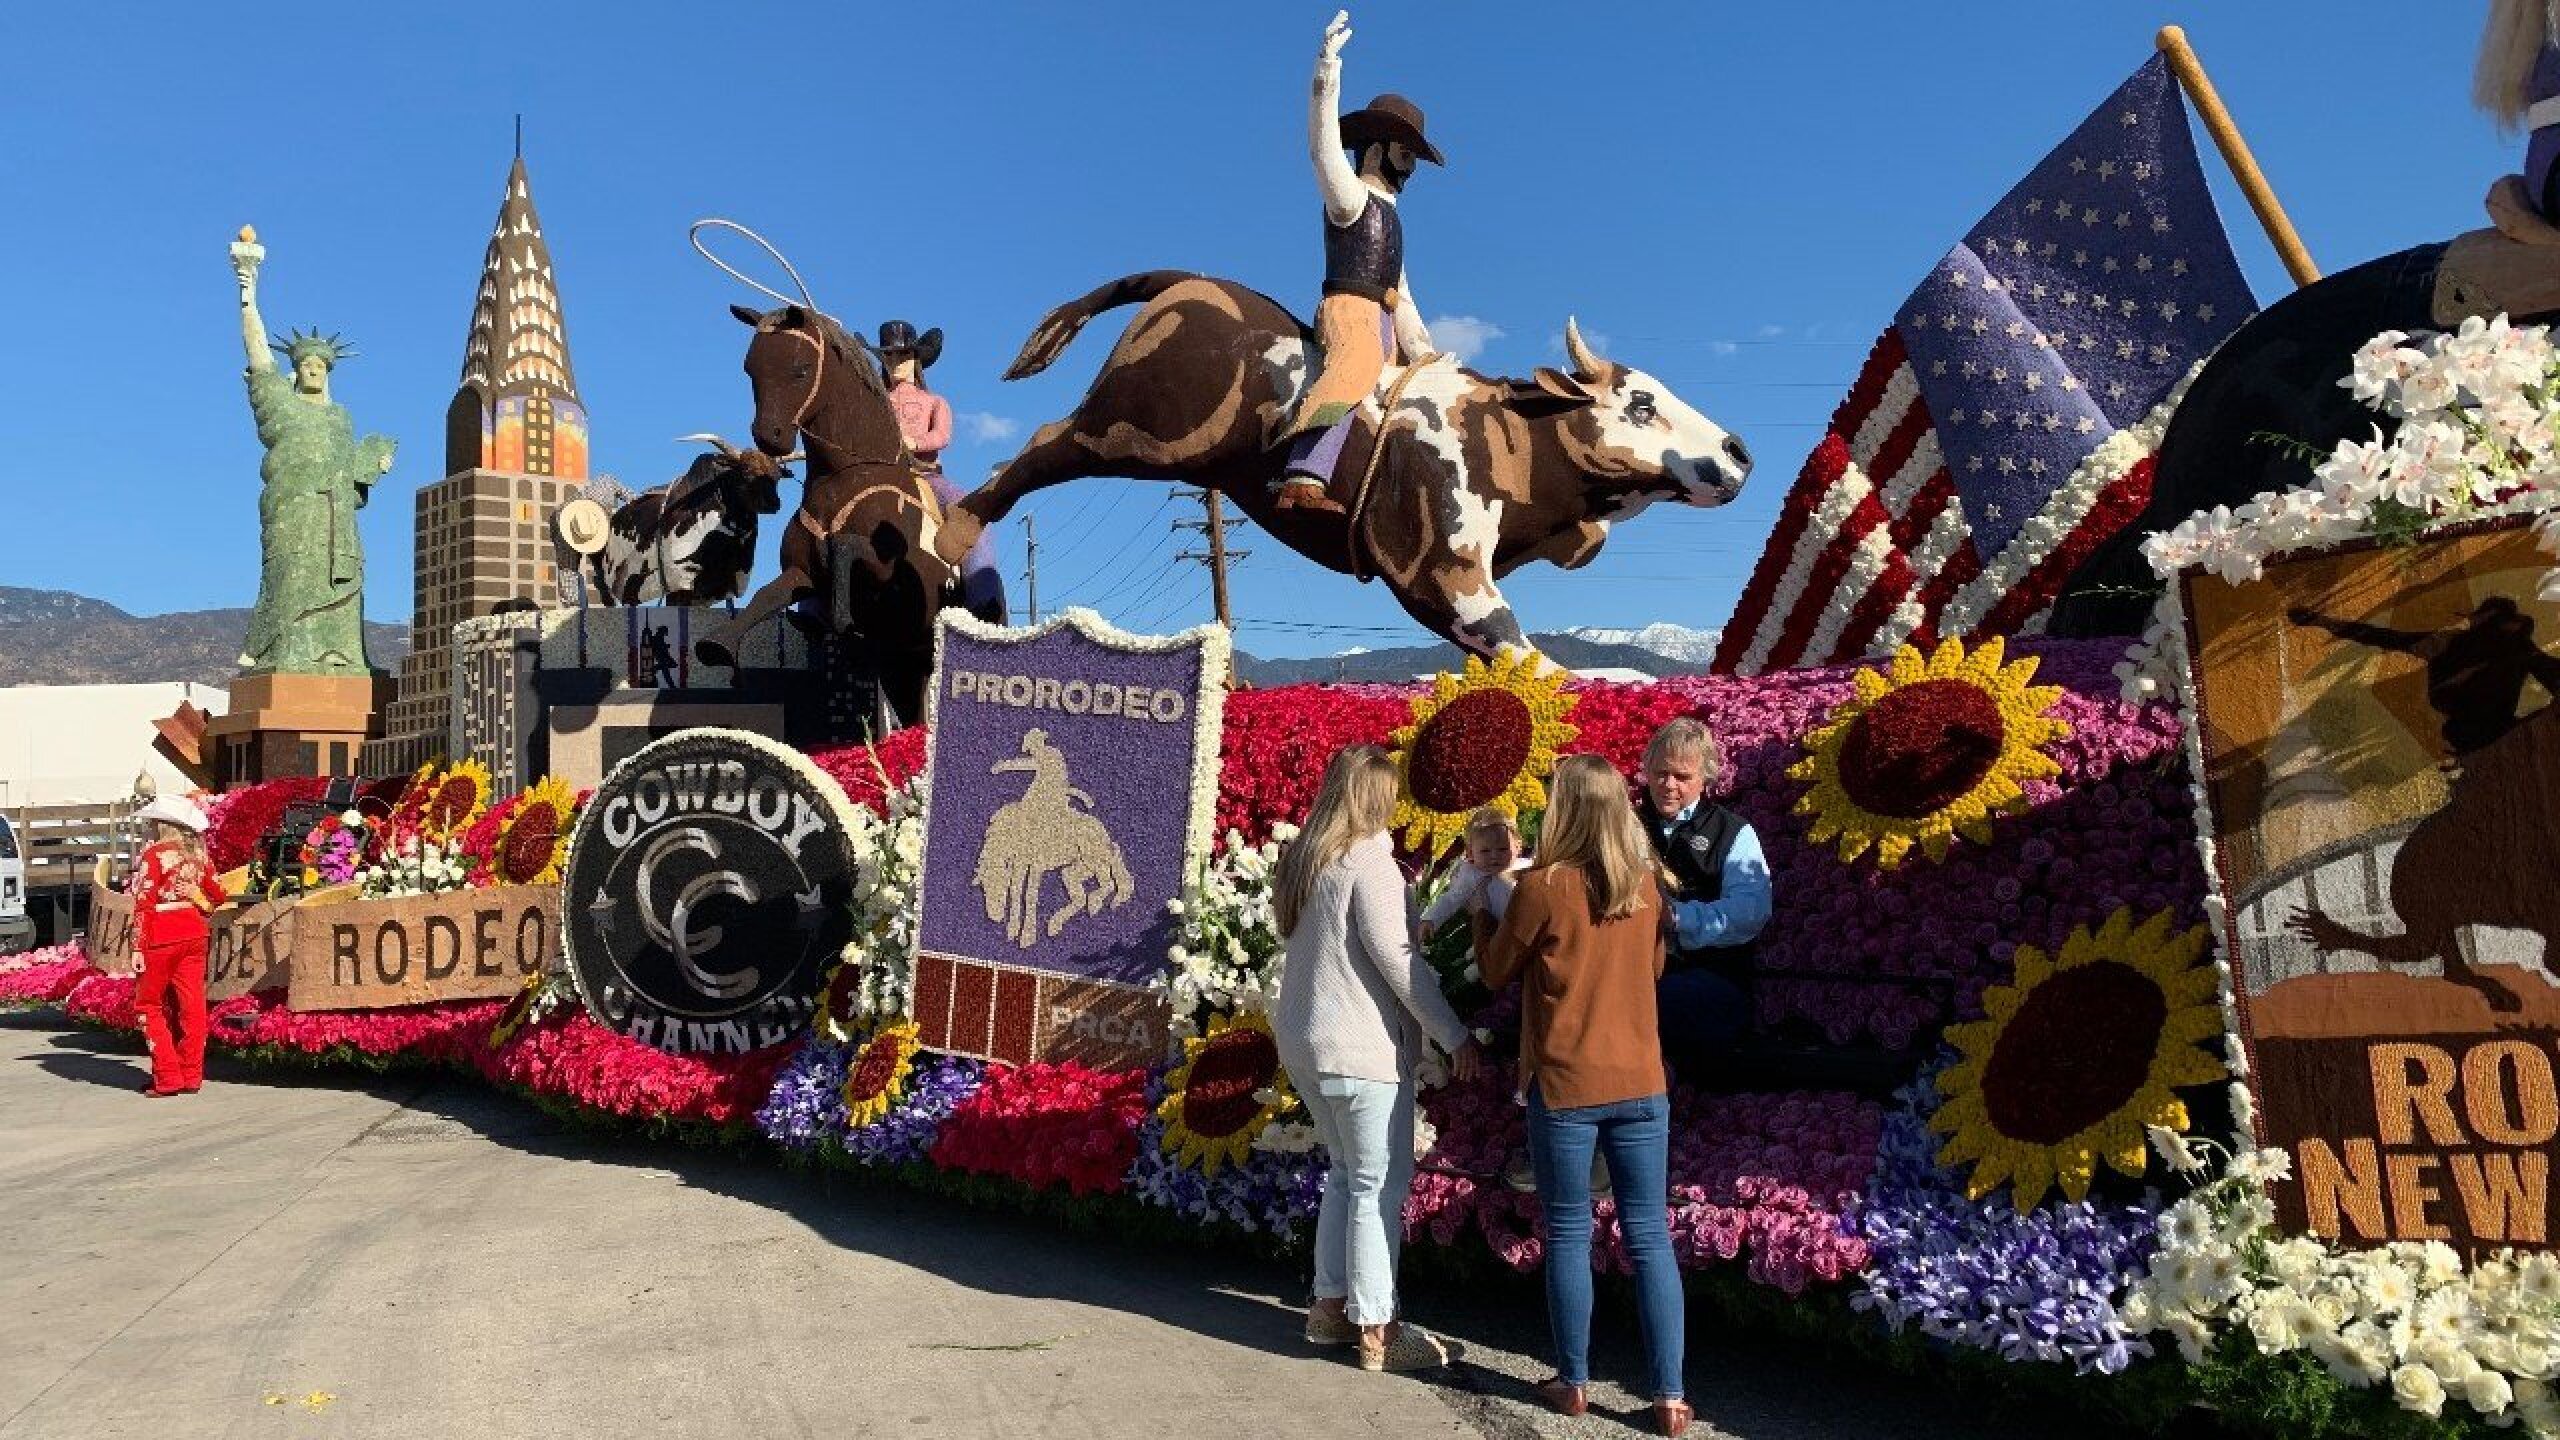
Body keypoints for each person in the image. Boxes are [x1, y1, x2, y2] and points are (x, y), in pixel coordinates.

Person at [1474, 754, 1690, 1436]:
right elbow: (1654, 969)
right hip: (1642, 1082)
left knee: (1569, 1230)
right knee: (1650, 1233)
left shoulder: (1543, 886)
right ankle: (1670, 1398)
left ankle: (1572, 1381)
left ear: (1564, 809)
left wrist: (1481, 910)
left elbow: (1494, 972)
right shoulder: (1647, 884)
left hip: (1565, 1082)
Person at [1271, 745, 1480, 1373]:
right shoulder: (1372, 867)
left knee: (1345, 1174)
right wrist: (1453, 1034)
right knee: (1376, 1187)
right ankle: (1377, 1330)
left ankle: (1329, 1305)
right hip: (1360, 1048)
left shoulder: (1309, 862)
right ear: (1376, 798)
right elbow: (1398, 960)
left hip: (1306, 1042)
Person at [1271, 9, 1443, 514]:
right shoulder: (1348, 199)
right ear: (1378, 149)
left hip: (1385, 318)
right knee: (1357, 367)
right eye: (1405, 154)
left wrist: (1425, 354)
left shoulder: (1392, 218)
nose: (1410, 169)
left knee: (1399, 399)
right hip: (1349, 311)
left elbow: (1403, 295)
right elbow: (1323, 148)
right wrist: (1327, 72)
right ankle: (1302, 475)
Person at [1639, 718, 1773, 1060]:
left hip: (1711, 977)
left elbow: (1749, 914)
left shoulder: (1734, 832)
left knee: (1645, 1003)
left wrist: (1678, 919)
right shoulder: (1627, 825)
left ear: (1705, 779)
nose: (1668, 785)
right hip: (1636, 970)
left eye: (1682, 777)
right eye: (1660, 773)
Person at [876, 320, 1008, 625]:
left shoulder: (934, 402)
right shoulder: (875, 402)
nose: (896, 363)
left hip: (927, 475)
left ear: (916, 359)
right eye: (889, 356)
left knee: (975, 518)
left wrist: (913, 442)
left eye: (903, 356)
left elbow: (942, 437)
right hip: (882, 475)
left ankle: (982, 600)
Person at [130, 796, 226, 1097]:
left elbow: (143, 903)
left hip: (161, 935)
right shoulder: (199, 856)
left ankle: (168, 1075)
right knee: (192, 1006)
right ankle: (191, 1074)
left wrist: (137, 946)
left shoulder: (154, 856)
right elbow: (220, 895)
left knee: (147, 1005)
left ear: (163, 826)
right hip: (194, 933)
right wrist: (196, 894)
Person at [1419, 807, 1530, 936]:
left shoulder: (1526, 867)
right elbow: (1451, 899)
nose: (1494, 856)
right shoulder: (1472, 875)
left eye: (1503, 849)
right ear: (1470, 853)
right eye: (1485, 851)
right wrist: (1431, 919)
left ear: (1518, 847)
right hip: (1495, 933)